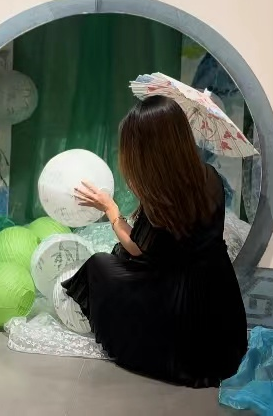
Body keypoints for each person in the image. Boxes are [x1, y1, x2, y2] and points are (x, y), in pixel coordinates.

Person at [60, 95, 248, 388]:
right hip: (220, 303)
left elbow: (137, 247)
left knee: (100, 265)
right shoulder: (210, 176)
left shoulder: (162, 200)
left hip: (181, 310)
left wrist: (111, 210)